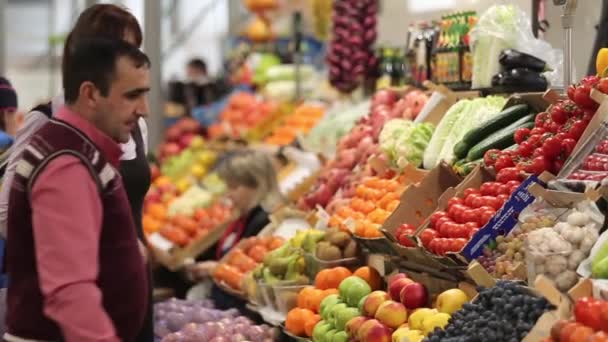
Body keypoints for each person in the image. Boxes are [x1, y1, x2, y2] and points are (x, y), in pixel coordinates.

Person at [0, 5, 155, 341]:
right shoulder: (66, 157)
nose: (144, 109)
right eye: (132, 95)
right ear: (90, 90)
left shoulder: (90, 145)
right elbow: (70, 293)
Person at [154, 150, 285, 305]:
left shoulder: (264, 221)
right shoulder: (239, 218)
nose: (228, 194)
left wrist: (215, 269)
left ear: (258, 185)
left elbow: (254, 275)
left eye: (234, 187)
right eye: (228, 187)